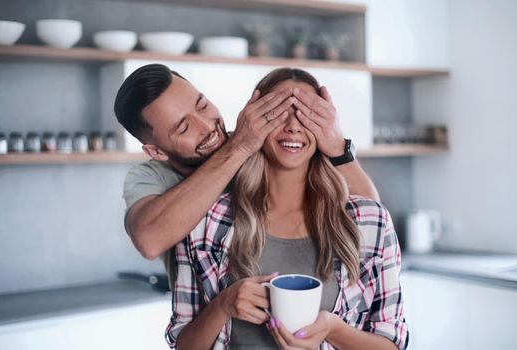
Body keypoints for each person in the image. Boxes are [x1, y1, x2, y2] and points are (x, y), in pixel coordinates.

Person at [166, 68, 408, 350]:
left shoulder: (370, 221)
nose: (293, 126)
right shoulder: (205, 221)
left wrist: (334, 330)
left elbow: (393, 344)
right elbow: (183, 345)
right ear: (254, 122)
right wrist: (223, 304)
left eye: (306, 114)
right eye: (277, 112)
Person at [114, 64, 380, 282]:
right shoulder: (150, 177)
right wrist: (238, 148)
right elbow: (149, 239)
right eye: (184, 128)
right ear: (156, 152)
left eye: (203, 105)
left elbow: (372, 221)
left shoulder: (263, 143)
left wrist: (337, 148)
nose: (208, 126)